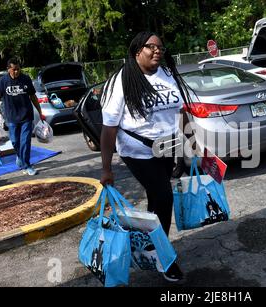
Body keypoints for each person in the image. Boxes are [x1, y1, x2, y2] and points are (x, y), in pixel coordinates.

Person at [100, 31, 193, 282]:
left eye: (160, 47)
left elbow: (181, 112)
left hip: (167, 148)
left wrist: (190, 145)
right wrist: (106, 168)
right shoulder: (122, 81)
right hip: (138, 152)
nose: (157, 51)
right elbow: (109, 128)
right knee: (164, 197)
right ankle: (164, 257)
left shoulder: (167, 75)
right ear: (136, 51)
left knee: (156, 200)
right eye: (150, 47)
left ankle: (148, 246)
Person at [0, 58, 46, 175]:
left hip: (26, 115)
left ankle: (27, 165)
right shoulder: (2, 81)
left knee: (25, 141)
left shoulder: (25, 79)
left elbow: (33, 97)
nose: (16, 72)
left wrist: (40, 112)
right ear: (8, 69)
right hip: (11, 117)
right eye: (14, 70)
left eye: (18, 69)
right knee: (15, 141)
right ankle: (20, 156)